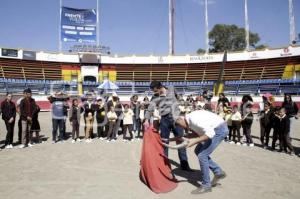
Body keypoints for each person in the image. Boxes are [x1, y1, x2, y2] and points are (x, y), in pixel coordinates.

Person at [172, 110, 228, 194]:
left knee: (202, 155)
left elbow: (210, 134)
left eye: (180, 125)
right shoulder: (190, 120)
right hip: (215, 129)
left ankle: (206, 185)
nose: (182, 128)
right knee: (198, 150)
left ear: (180, 119)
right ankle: (218, 172)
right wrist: (179, 137)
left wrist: (193, 141)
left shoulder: (194, 120)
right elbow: (197, 134)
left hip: (218, 131)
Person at [145, 81, 191, 171]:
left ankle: (185, 165)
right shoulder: (155, 97)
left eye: (156, 91)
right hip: (164, 120)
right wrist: (146, 119)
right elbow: (150, 109)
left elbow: (179, 97)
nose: (155, 93)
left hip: (177, 120)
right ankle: (165, 166)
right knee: (164, 143)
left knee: (181, 141)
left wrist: (181, 103)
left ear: (160, 87)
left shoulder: (171, 88)